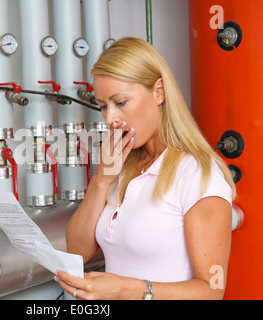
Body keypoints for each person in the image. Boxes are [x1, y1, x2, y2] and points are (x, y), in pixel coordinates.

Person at [54, 37, 236, 300]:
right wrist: (101, 181)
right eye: (103, 107)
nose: (110, 119)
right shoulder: (123, 166)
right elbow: (77, 252)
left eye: (120, 102)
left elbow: (212, 291)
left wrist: (126, 289)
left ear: (159, 91)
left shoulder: (197, 174)